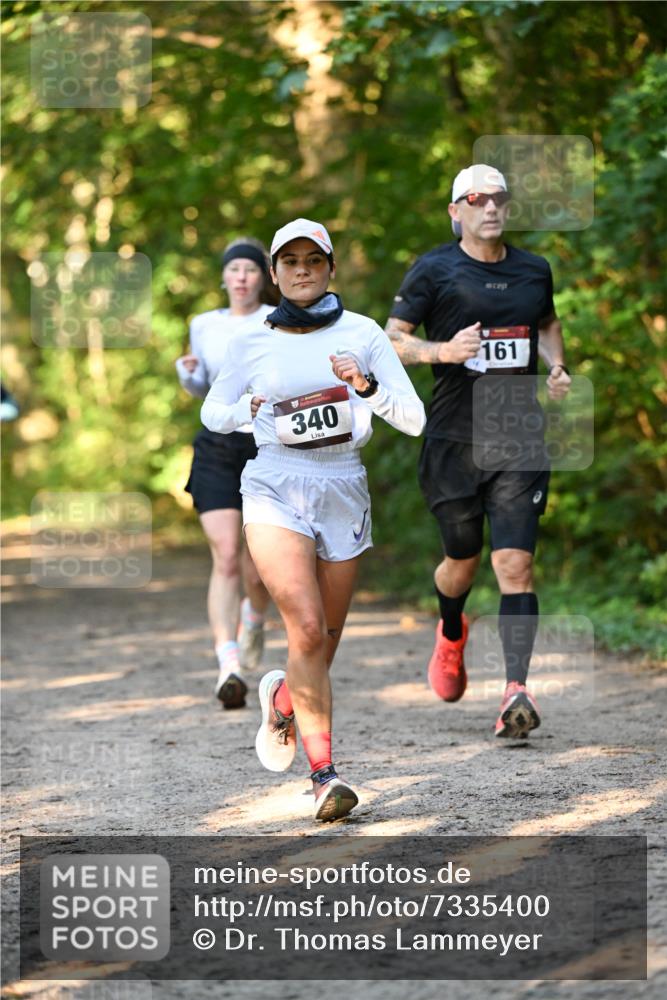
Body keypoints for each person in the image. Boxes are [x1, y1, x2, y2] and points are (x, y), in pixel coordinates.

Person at [201, 218, 425, 820]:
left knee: (322, 641)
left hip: (342, 483)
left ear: (330, 268)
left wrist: (367, 384)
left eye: (313, 259)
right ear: (274, 275)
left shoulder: (364, 332)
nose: (302, 269)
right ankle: (324, 777)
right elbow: (212, 411)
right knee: (303, 627)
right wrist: (245, 408)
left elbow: (413, 418)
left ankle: (282, 699)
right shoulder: (250, 341)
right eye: (289, 261)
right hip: (273, 480)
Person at [385, 164, 571, 739]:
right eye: (475, 199)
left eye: (498, 199)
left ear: (508, 208)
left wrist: (557, 366)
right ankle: (450, 630)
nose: (489, 207)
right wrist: (443, 350)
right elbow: (390, 341)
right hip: (453, 440)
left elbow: (546, 324)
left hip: (519, 435)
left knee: (514, 565)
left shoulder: (534, 270)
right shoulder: (434, 269)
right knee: (460, 563)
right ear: (455, 211)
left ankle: (516, 688)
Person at [175, 239, 272, 710]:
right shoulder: (203, 325)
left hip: (264, 445)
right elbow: (203, 389)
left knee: (258, 565)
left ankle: (254, 617)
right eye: (233, 268)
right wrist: (188, 373)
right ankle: (227, 662)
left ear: (262, 278)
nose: (241, 276)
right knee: (227, 555)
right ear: (224, 277)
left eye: (250, 269)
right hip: (216, 444)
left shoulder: (277, 322)